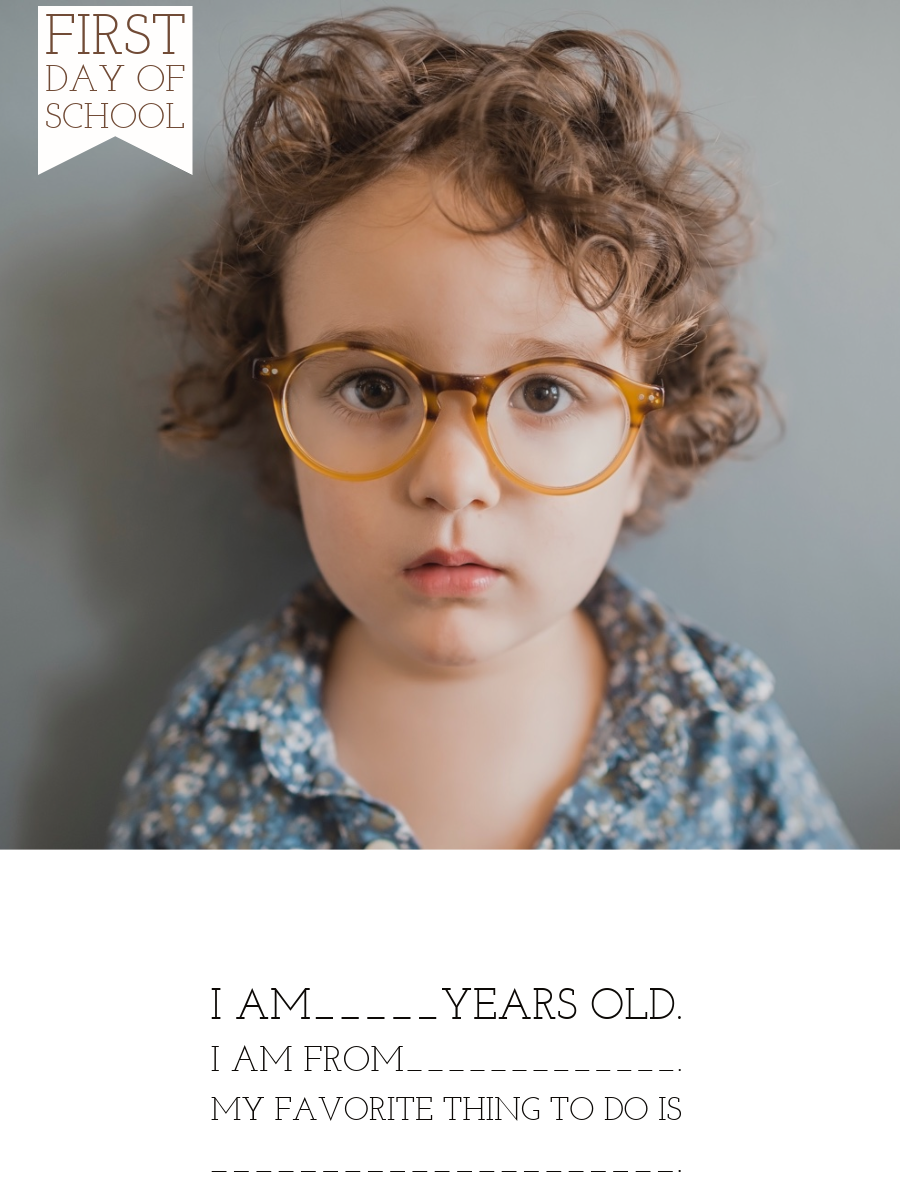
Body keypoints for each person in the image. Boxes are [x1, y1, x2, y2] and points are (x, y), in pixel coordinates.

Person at [107, 13, 854, 850]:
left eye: (544, 393)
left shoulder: (725, 745)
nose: (452, 480)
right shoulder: (210, 748)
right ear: (281, 413)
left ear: (646, 442)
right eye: (371, 387)